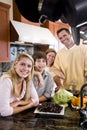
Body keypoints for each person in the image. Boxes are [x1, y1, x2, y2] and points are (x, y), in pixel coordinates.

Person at [52, 27, 87, 94]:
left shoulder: (84, 49)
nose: (63, 39)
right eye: (60, 38)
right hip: (66, 90)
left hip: (82, 90)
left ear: (70, 34)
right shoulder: (59, 53)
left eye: (64, 35)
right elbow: (55, 72)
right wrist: (59, 85)